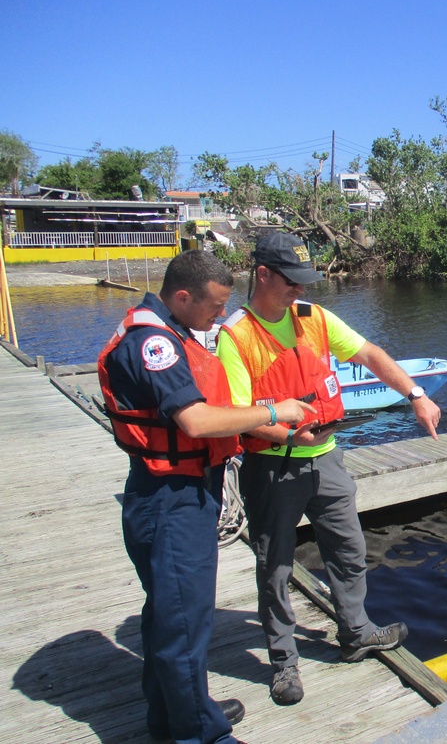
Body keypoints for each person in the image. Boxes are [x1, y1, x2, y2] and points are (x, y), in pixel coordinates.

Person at [98, 249, 315, 744]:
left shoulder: (170, 330)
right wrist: (270, 411)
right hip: (170, 500)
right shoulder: (156, 344)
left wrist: (274, 426)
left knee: (170, 615)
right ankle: (201, 734)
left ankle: (175, 717)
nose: (221, 316)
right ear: (181, 297)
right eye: (215, 307)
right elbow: (195, 421)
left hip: (179, 493)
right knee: (184, 624)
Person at [216, 231, 441, 706]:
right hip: (272, 468)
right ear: (262, 274)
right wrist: (289, 434)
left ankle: (356, 631)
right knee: (275, 565)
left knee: (348, 548)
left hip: (328, 457)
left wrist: (415, 395)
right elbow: (238, 412)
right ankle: (283, 662)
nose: (302, 290)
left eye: (305, 280)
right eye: (292, 281)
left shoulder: (314, 317)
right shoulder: (236, 335)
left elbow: (371, 354)